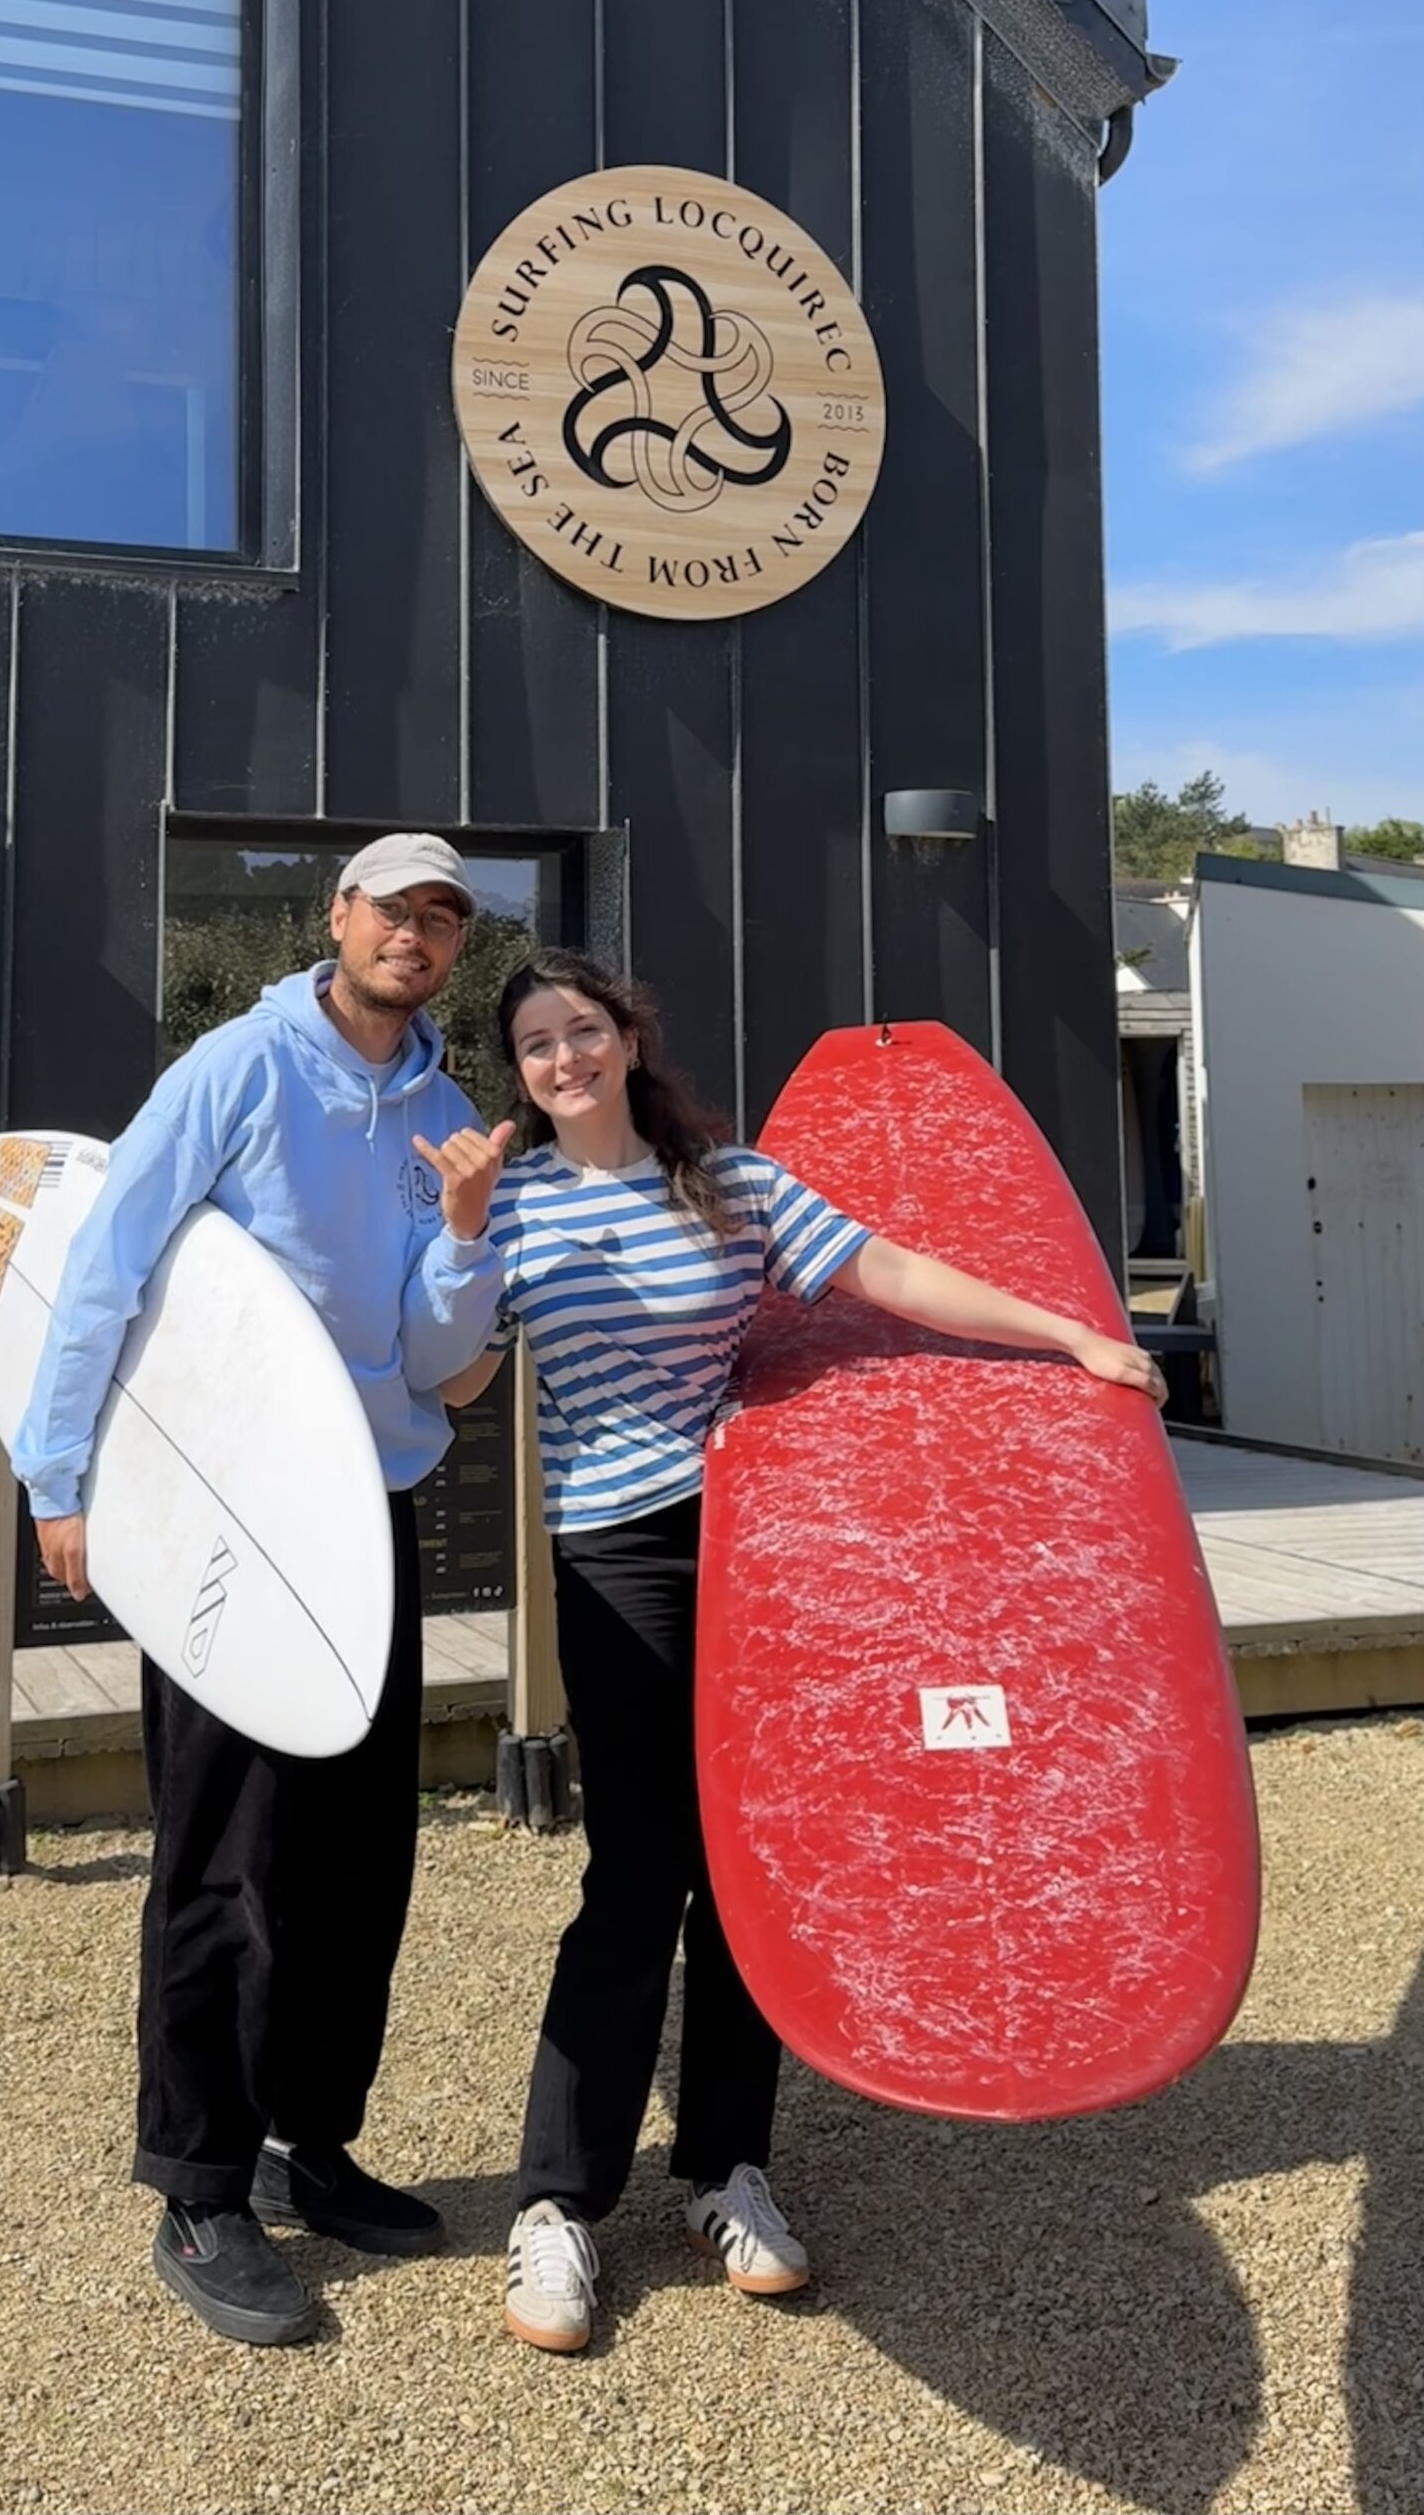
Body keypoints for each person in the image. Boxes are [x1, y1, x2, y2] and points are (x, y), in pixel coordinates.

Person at [440, 950, 1165, 2355]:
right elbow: (457, 1376)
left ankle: (724, 2170)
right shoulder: (510, 1200)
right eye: (534, 1043)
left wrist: (1072, 1337)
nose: (562, 1058)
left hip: (763, 1546)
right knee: (635, 1870)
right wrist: (461, 1233)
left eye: (580, 1029)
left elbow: (887, 1272)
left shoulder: (731, 1183)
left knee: (753, 1867)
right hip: (613, 1551)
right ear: (516, 1070)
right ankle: (554, 2207)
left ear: (625, 1038)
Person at [14, 834, 510, 2349]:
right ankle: (199, 2179)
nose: (413, 935)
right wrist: (61, 1476)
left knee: (358, 1854)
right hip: (224, 1514)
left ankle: (312, 2141)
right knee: (225, 1851)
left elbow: (438, 1363)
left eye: (441, 917)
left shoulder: (448, 1116)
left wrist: (471, 1235)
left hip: (364, 1515)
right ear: (336, 917)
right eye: (392, 908)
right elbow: (105, 1263)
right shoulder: (234, 1068)